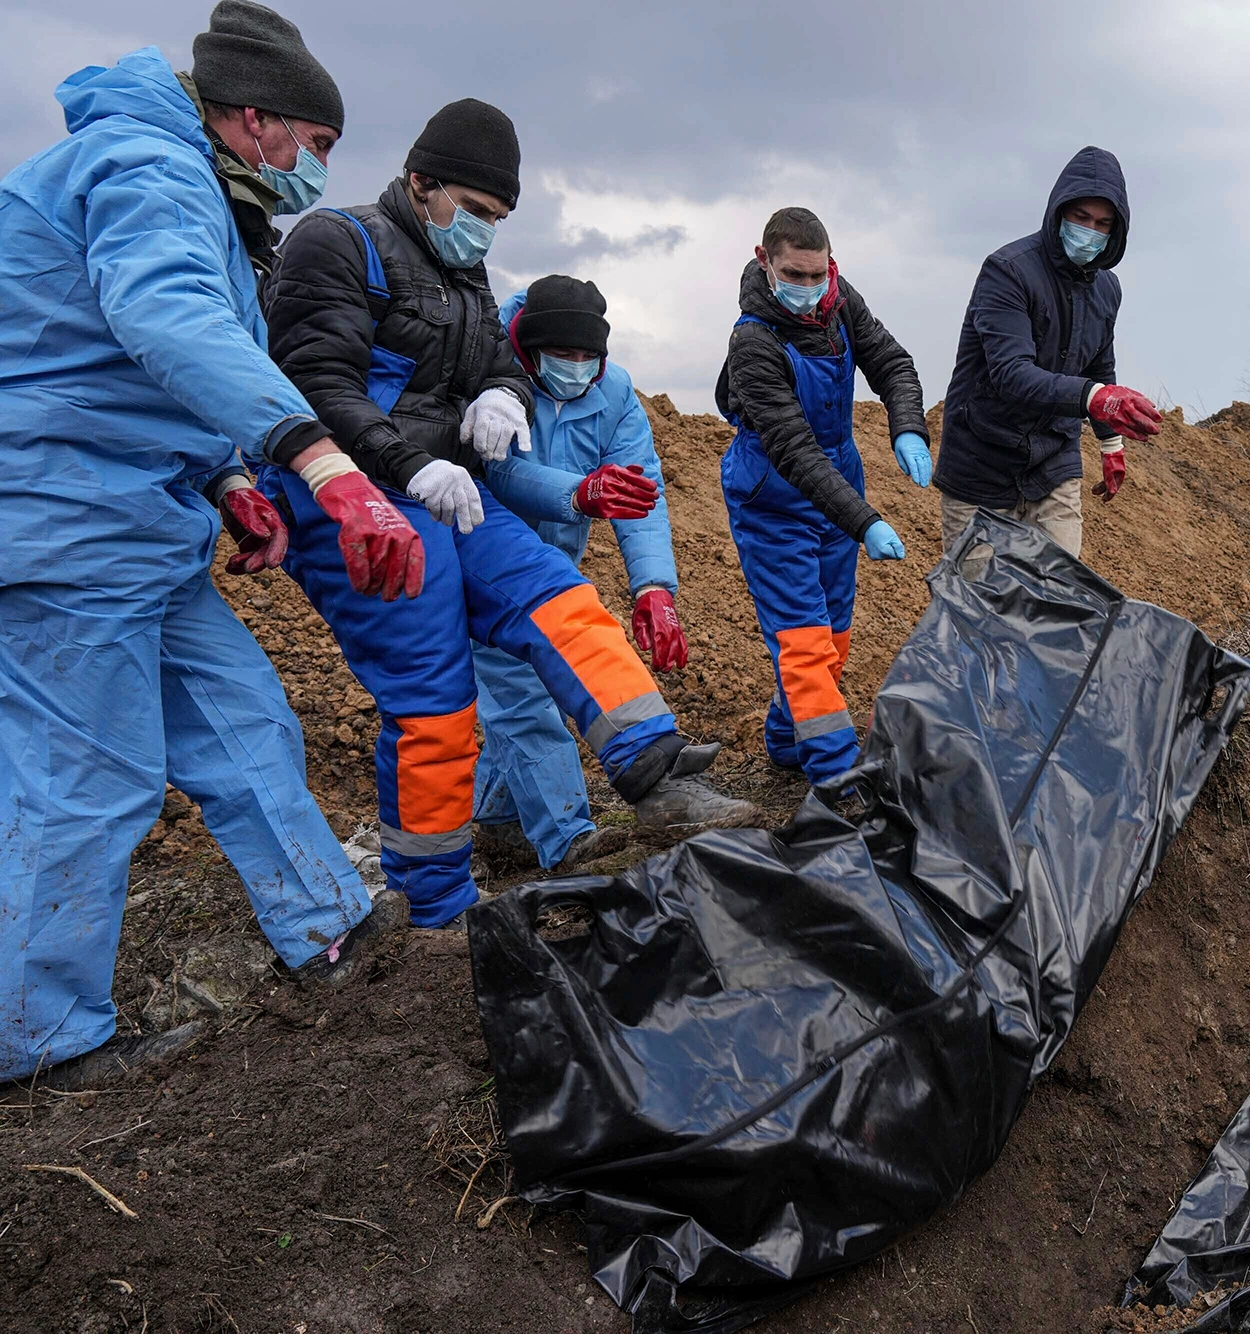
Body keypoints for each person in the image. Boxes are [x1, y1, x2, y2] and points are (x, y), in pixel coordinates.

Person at [0, 3, 422, 1084]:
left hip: (137, 519)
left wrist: (231, 477)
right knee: (86, 774)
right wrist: (318, 461)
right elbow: (163, 318)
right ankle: (38, 1040)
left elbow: (133, 369)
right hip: (56, 516)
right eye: (315, 146)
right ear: (255, 120)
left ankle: (330, 928)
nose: (315, 170)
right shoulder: (148, 165)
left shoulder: (196, 193)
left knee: (244, 720)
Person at [262, 100, 753, 930]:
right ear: (421, 184)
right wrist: (409, 464)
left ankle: (658, 773)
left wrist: (500, 390)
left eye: (498, 219)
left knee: (560, 597)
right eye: (478, 211)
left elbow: (498, 359)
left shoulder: (462, 273)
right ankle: (438, 907)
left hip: (449, 488)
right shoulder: (335, 242)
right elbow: (314, 382)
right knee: (435, 700)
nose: (485, 232)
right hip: (354, 494)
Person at [472, 275, 687, 871]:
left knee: (521, 691)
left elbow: (643, 492)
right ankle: (569, 841)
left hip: (553, 569)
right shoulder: (494, 378)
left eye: (587, 357)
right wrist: (579, 493)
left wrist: (653, 587)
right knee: (522, 699)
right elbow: (497, 470)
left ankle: (494, 820)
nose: (575, 367)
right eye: (561, 355)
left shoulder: (613, 393)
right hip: (484, 562)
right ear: (530, 347)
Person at [716, 207, 929, 787]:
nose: (809, 289)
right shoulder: (753, 342)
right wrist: (865, 521)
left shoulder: (840, 301)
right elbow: (791, 447)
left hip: (838, 483)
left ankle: (787, 739)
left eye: (818, 275)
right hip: (774, 499)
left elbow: (891, 361)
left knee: (833, 634)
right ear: (766, 262)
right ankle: (837, 779)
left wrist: (906, 423)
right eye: (795, 275)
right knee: (803, 643)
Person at [935, 146, 1164, 557]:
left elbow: (1099, 364)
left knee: (1060, 604)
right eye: (1081, 218)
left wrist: (1110, 444)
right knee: (980, 611)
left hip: (1053, 460)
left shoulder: (1107, 289)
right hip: (982, 461)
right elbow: (1010, 373)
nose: (1090, 230)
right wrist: (1094, 398)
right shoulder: (1007, 272)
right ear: (1059, 212)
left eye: (1103, 224)